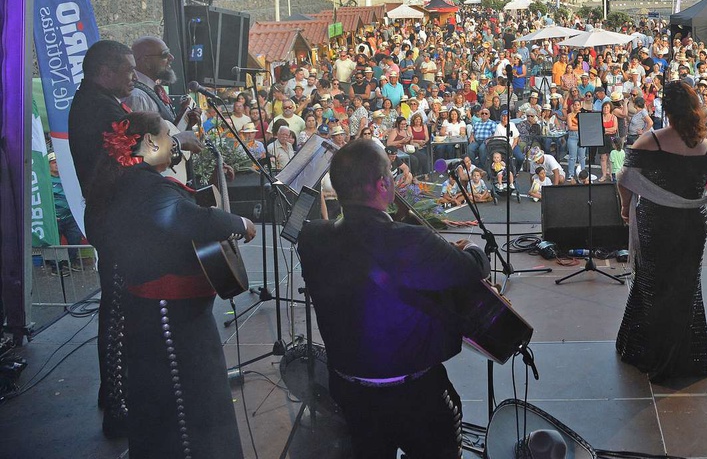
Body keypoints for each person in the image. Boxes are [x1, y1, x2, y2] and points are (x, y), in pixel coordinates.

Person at [297, 139, 488, 459]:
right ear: (384, 183)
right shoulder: (409, 241)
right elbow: (471, 271)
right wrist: (469, 249)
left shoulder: (311, 238)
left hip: (350, 391)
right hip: (415, 395)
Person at [90, 111, 254, 458]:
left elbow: (182, 209)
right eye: (168, 135)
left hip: (171, 319)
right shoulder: (145, 186)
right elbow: (188, 217)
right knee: (189, 418)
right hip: (172, 326)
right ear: (150, 142)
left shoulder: (136, 182)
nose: (173, 143)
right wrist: (239, 222)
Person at [616, 81, 707, 382]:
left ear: (666, 109)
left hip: (656, 223)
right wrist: (701, 199)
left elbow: (625, 177)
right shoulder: (706, 145)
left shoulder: (650, 140)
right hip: (692, 225)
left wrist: (624, 207)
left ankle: (646, 352)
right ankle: (685, 357)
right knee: (685, 287)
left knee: (652, 283)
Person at [67, 40, 138, 436]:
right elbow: (135, 157)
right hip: (114, 222)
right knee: (117, 315)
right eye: (127, 69)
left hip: (110, 218)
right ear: (105, 71)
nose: (133, 75)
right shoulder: (101, 108)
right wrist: (177, 145)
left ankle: (111, 390)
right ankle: (116, 404)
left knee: (117, 311)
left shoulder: (93, 101)